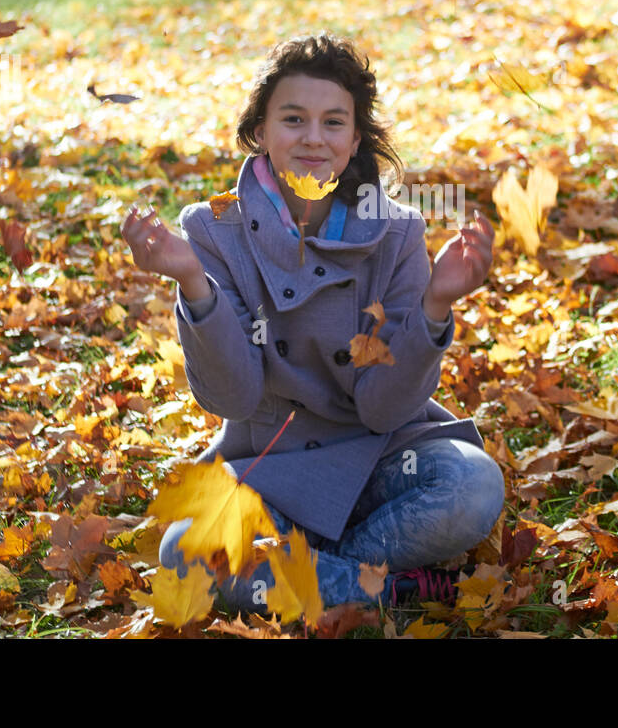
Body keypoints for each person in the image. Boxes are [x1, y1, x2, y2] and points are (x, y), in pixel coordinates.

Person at [121, 32, 504, 615]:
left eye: (332, 123)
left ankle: (316, 580)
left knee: (474, 487)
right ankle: (388, 590)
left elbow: (382, 410)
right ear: (262, 132)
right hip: (271, 474)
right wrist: (194, 284)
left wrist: (435, 306)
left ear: (354, 141)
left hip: (382, 461)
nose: (313, 139)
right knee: (185, 554)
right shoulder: (212, 229)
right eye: (293, 119)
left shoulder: (396, 233)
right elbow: (235, 394)